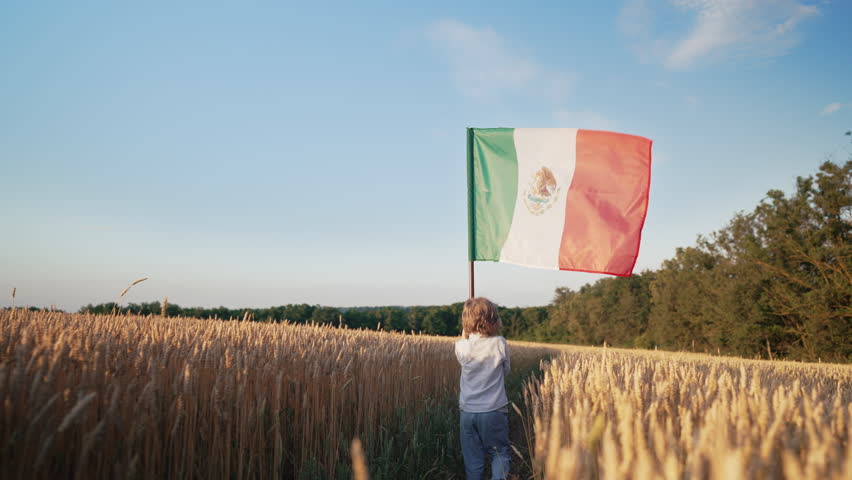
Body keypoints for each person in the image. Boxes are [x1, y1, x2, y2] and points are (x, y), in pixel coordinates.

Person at [455, 297, 511, 480]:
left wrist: (466, 336)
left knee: (473, 459)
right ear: (493, 321)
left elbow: (465, 346)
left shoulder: (461, 346)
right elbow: (506, 371)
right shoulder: (500, 343)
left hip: (468, 412)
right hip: (494, 410)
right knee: (499, 453)